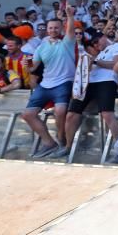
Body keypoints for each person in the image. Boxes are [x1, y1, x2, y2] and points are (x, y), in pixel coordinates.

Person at [22, 10, 77, 158]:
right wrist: (26, 65)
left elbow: (71, 30)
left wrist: (70, 16)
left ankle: (61, 139)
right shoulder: (41, 47)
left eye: (56, 27)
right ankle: (49, 143)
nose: (53, 30)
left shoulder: (67, 42)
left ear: (61, 28)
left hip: (64, 82)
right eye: (51, 28)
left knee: (60, 111)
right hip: (45, 85)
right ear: (47, 29)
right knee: (27, 114)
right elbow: (33, 68)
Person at [62, 33, 118, 159]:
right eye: (93, 43)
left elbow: (117, 64)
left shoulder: (116, 46)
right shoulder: (98, 54)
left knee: (107, 115)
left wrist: (96, 61)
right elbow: (87, 71)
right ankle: (68, 147)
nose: (96, 44)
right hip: (88, 83)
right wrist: (89, 64)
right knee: (71, 114)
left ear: (104, 37)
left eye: (97, 41)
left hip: (106, 82)